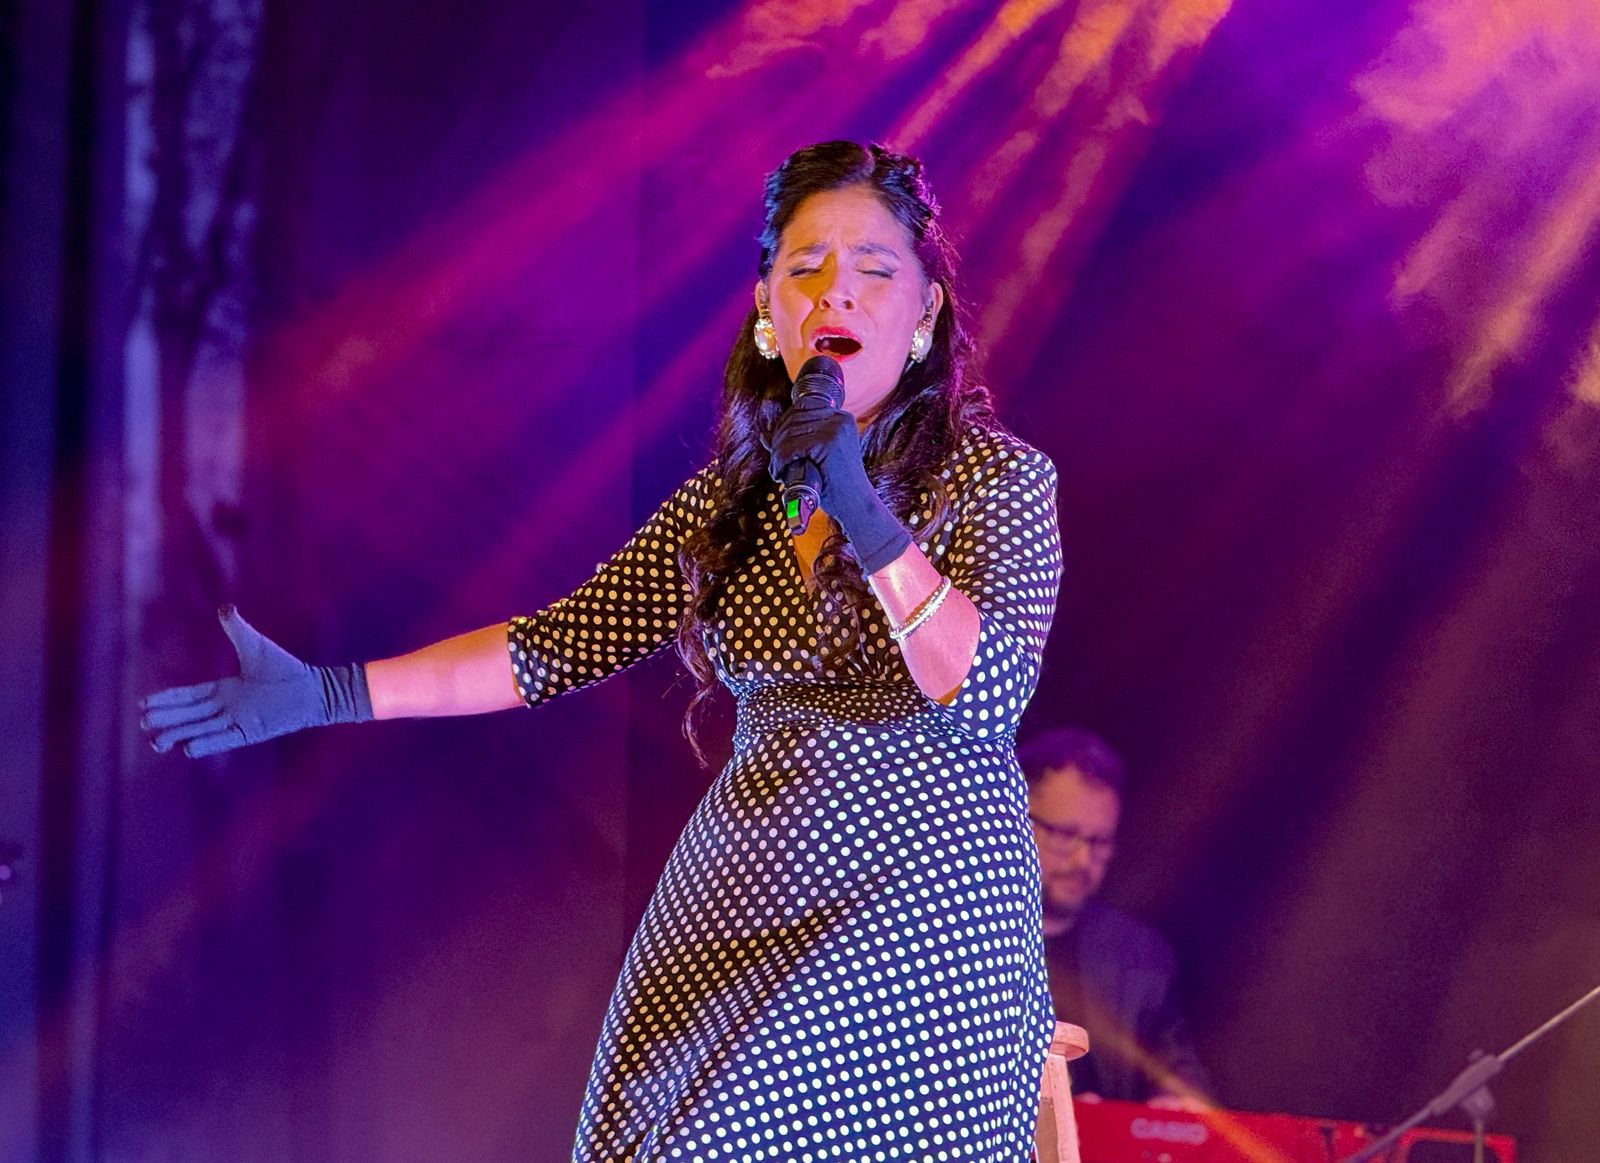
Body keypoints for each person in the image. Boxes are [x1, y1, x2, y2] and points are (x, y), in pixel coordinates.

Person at [142, 141, 1064, 1161]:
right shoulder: (729, 506)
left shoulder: (997, 480)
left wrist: (859, 506)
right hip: (747, 885)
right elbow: (553, 645)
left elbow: (985, 693)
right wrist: (333, 692)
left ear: (925, 314)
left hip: (915, 910)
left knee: (731, 1128)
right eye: (805, 267)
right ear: (768, 310)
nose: (835, 290)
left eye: (874, 269)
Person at [1020, 727, 1211, 1109]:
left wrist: (1176, 1110)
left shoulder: (1137, 955)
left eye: (1099, 842)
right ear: (1015, 819)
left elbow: (1177, 1074)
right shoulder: (959, 936)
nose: (1082, 860)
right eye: (1064, 834)